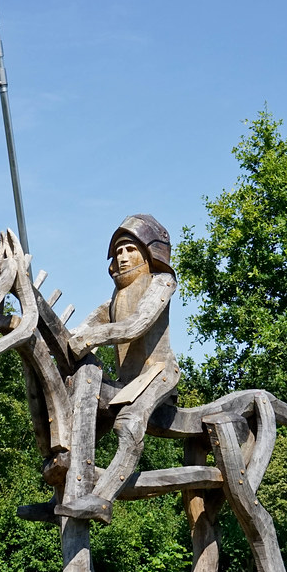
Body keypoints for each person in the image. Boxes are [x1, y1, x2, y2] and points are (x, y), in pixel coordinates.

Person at [56, 214, 180, 524]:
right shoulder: (112, 300)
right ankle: (60, 492)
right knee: (78, 414)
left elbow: (136, 325)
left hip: (158, 373)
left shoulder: (161, 282)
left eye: (130, 250)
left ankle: (102, 498)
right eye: (118, 252)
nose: (122, 258)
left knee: (127, 423)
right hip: (126, 384)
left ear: (149, 252)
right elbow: (77, 334)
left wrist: (90, 338)